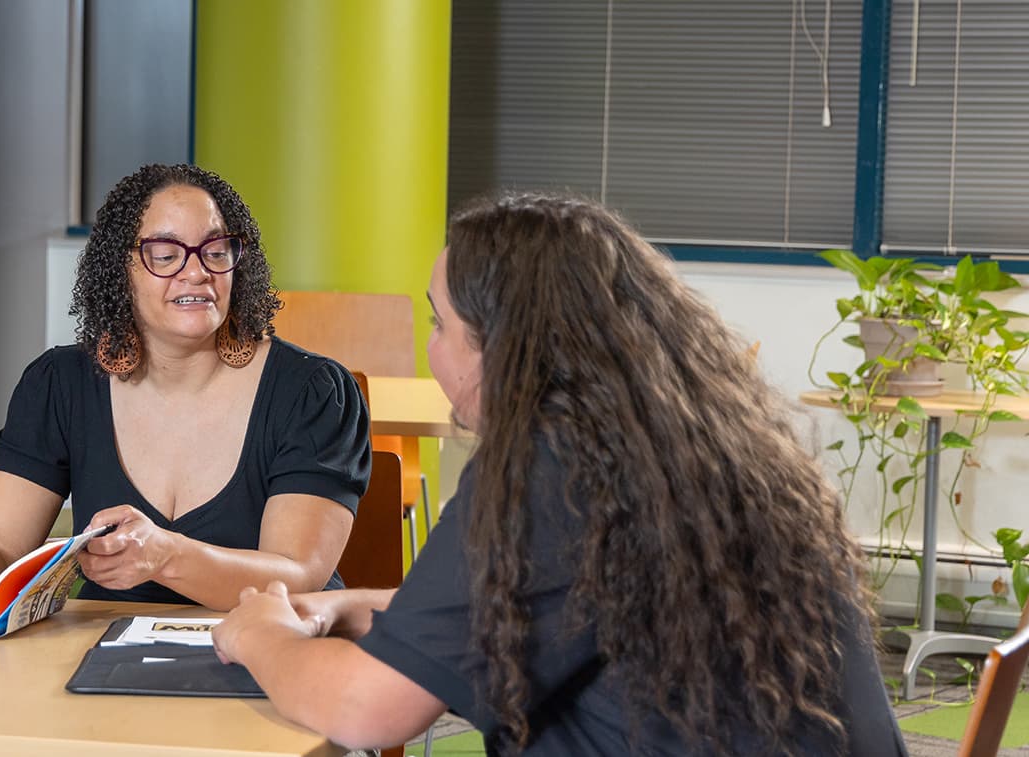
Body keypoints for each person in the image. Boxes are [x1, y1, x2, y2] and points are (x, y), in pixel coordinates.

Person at [211, 192, 907, 755]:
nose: (432, 351)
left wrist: (261, 633)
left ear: (501, 346)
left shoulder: (546, 468)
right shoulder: (701, 446)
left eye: (440, 325)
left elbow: (367, 710)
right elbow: (561, 601)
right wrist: (359, 605)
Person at [0, 163, 371, 610]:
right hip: (103, 652)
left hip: (266, 650)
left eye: (216, 251)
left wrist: (166, 557)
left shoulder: (311, 391)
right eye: (166, 255)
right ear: (119, 271)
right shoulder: (61, 386)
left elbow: (297, 575)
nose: (197, 271)